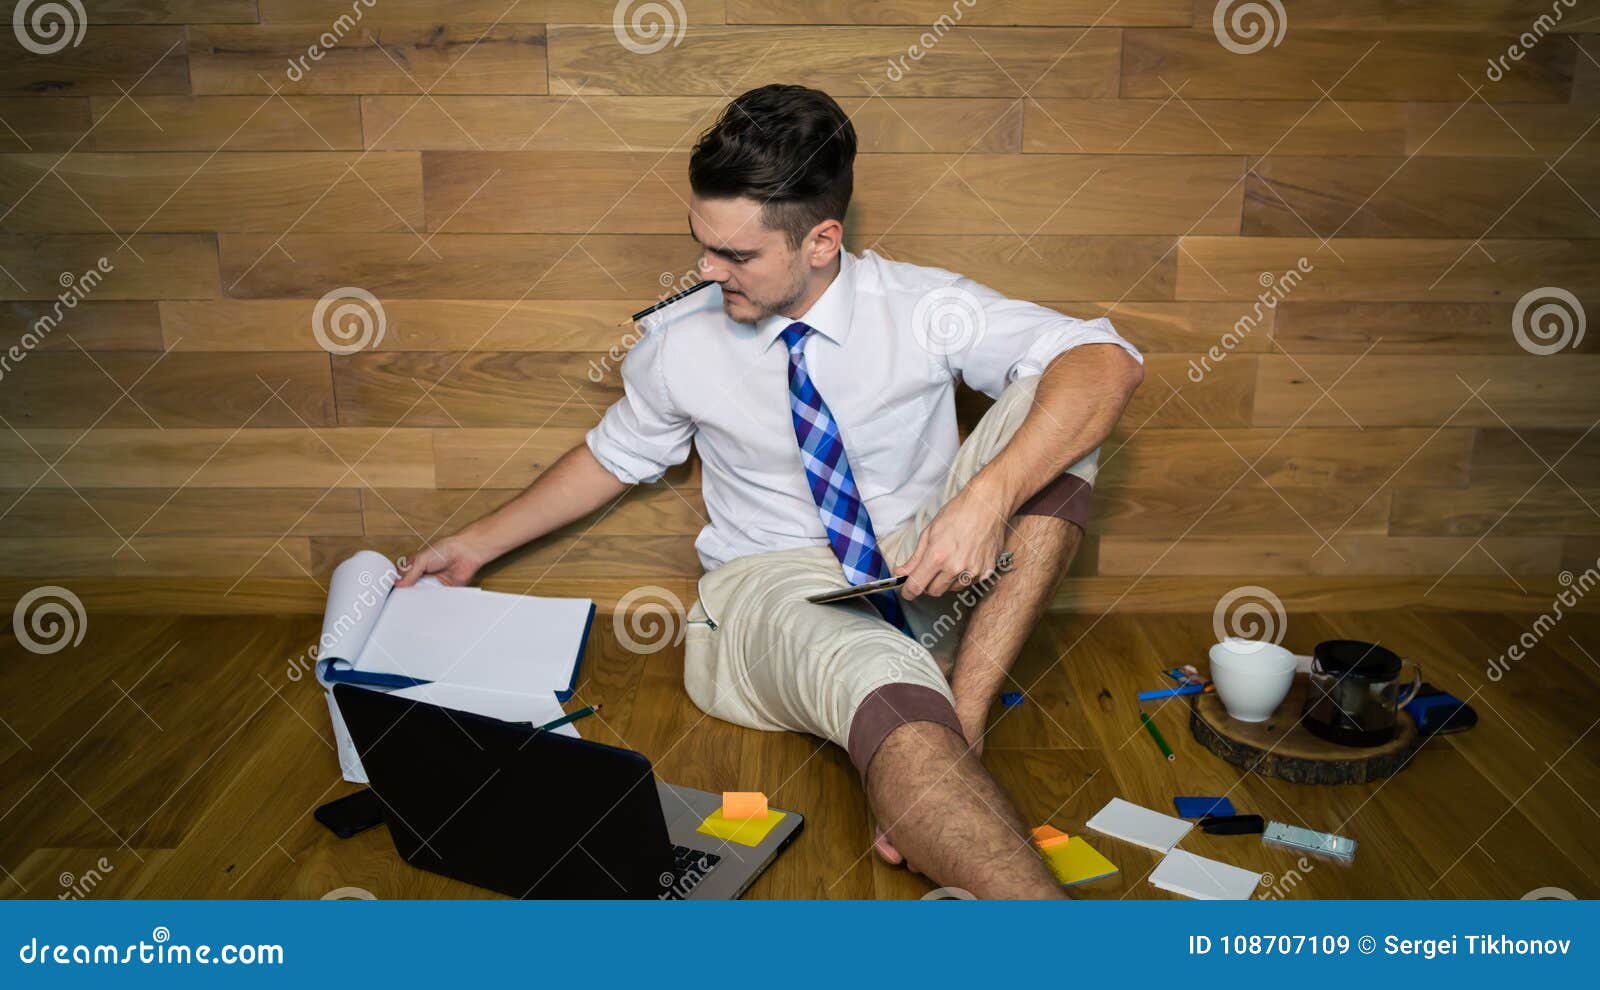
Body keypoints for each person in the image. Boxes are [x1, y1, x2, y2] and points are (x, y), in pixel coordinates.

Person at [398, 84, 1143, 898]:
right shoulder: (681, 341)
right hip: (775, 588)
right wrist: (473, 544)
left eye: (738, 256)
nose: (708, 272)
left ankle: (958, 723)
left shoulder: (921, 307)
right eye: (702, 245)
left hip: (921, 562)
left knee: (1066, 410)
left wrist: (987, 499)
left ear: (822, 240)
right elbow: (613, 458)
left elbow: (1107, 360)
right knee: (880, 687)